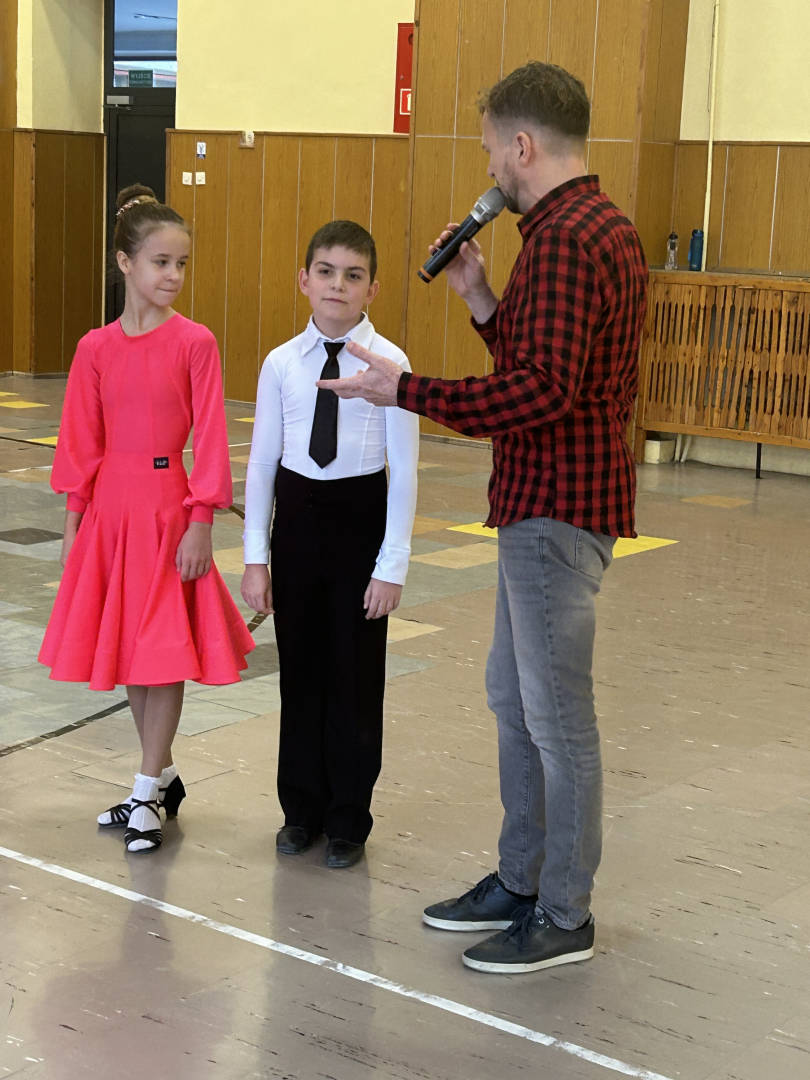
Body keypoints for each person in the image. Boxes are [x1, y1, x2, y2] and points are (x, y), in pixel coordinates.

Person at [321, 63, 648, 970]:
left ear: (522, 145)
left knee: (556, 717)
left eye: (489, 149)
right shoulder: (592, 228)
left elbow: (539, 392)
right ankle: (522, 877)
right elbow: (544, 362)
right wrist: (476, 293)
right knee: (516, 698)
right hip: (549, 502)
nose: (489, 167)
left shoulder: (566, 240)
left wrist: (406, 390)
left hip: (555, 507)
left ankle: (563, 912)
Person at [39, 184, 255, 855]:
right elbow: (81, 440)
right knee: (132, 652)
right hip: (110, 512)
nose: (174, 275)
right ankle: (157, 780)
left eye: (182, 263)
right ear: (125, 263)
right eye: (162, 262)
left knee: (161, 656)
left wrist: (201, 520)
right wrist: (75, 524)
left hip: (167, 512)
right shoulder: (95, 348)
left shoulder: (195, 343)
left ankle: (144, 790)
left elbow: (211, 436)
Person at [240, 220, 419, 869]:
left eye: (352, 275)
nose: (337, 285)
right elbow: (262, 463)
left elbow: (405, 471)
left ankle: (348, 816)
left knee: (355, 675)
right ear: (304, 279)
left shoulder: (391, 365)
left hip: (359, 522)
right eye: (325, 271)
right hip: (297, 524)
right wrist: (256, 557)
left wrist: (391, 564)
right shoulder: (282, 363)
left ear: (372, 288)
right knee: (302, 671)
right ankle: (301, 809)